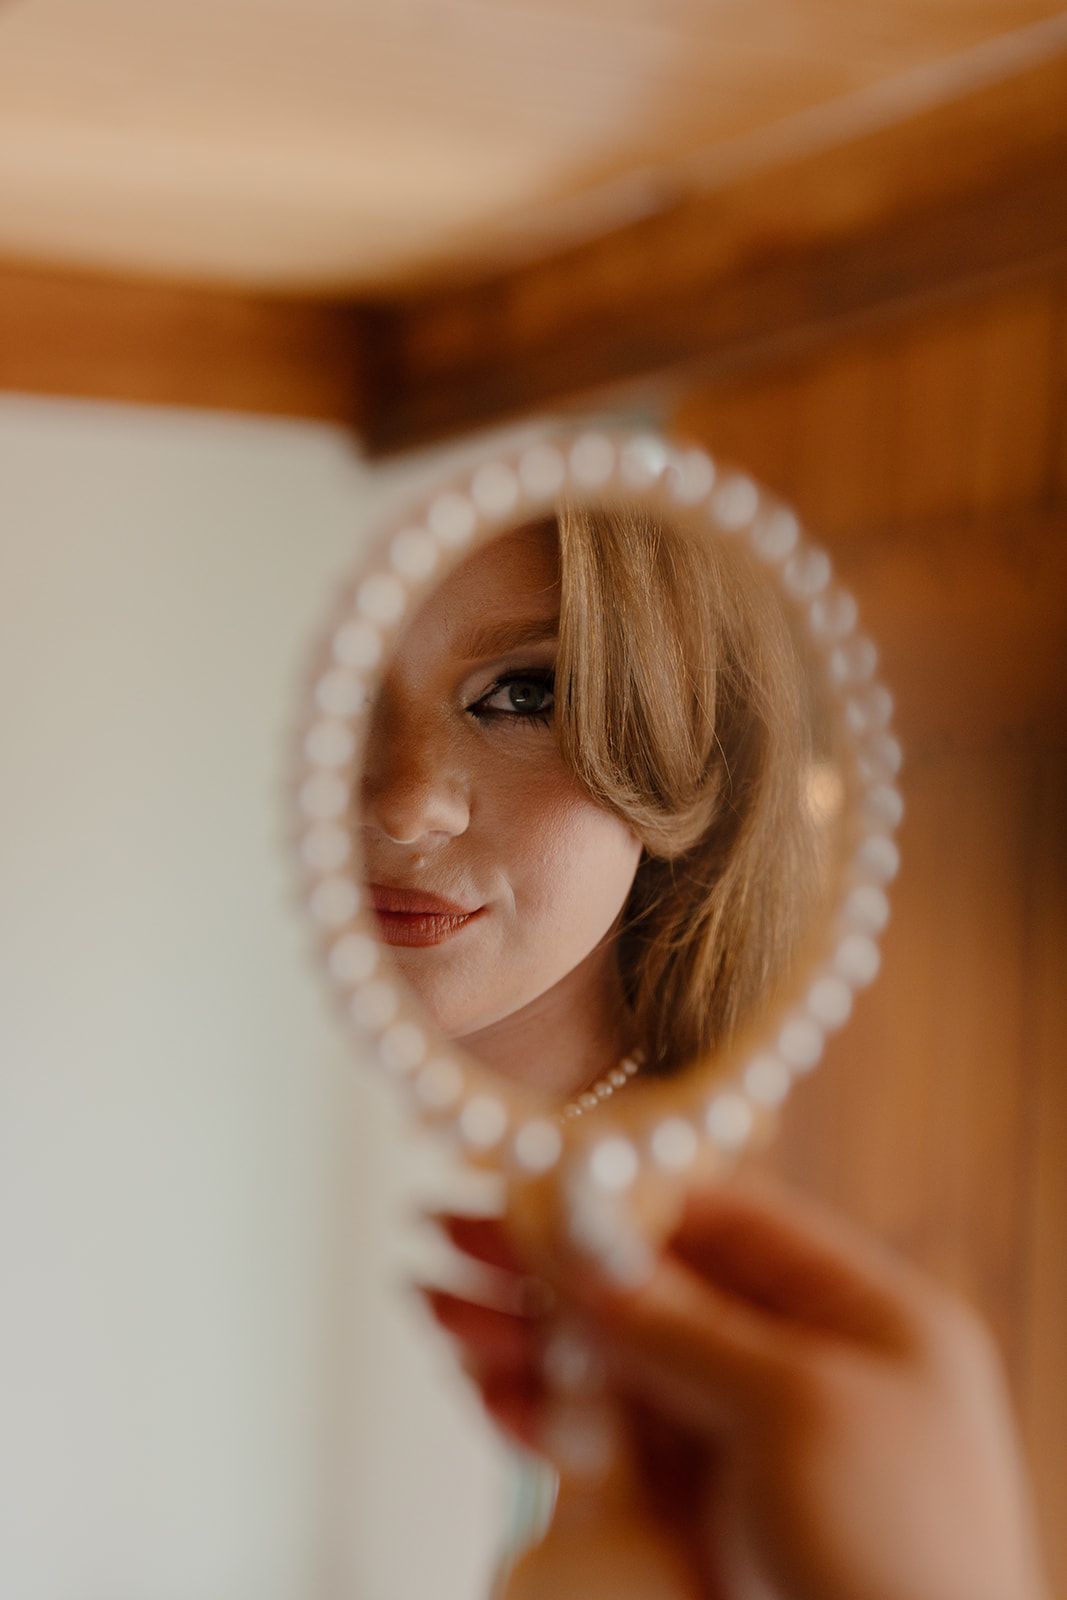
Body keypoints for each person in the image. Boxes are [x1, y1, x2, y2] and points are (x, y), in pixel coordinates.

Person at [361, 503, 819, 1100]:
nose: (405, 811)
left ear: (688, 752)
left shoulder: (707, 1183)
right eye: (348, 694)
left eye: (525, 697)